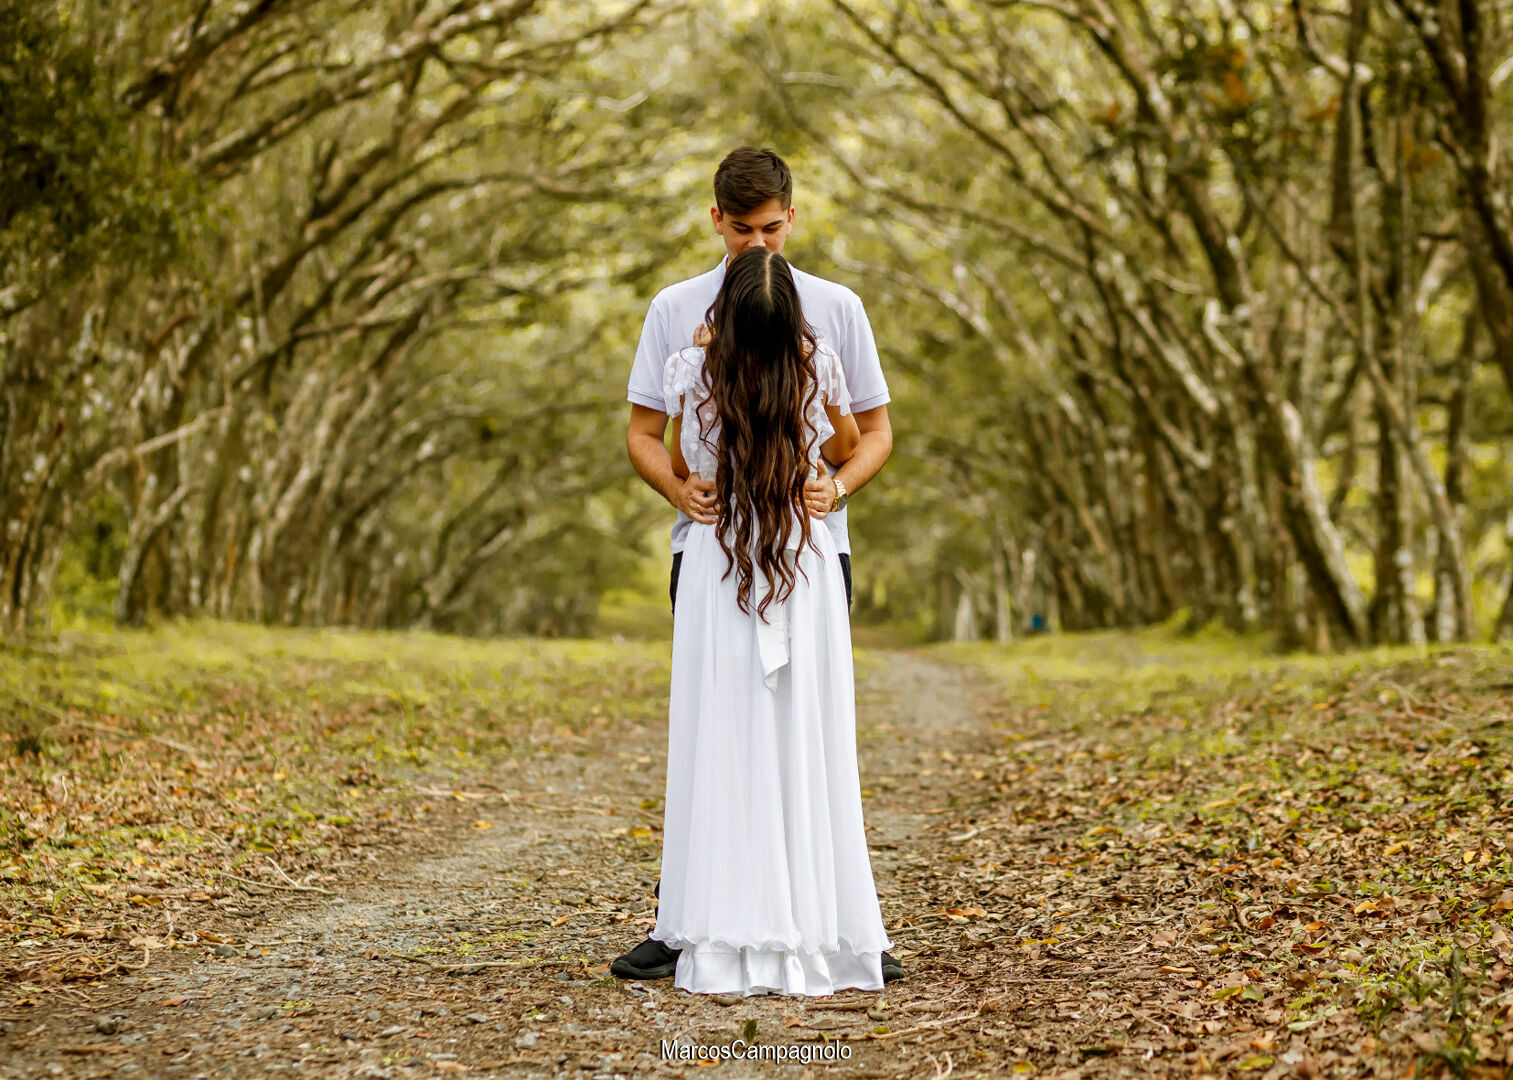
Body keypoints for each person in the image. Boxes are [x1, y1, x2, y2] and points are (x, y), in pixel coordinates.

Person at [616, 147, 899, 985]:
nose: (757, 245)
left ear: (791, 217)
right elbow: (641, 435)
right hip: (704, 551)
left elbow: (872, 435)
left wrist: (835, 490)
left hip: (815, 552)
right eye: (742, 231)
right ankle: (683, 919)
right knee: (712, 733)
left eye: (771, 228)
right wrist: (679, 491)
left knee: (810, 735)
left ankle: (838, 916)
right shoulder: (674, 310)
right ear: (716, 221)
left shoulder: (836, 308)